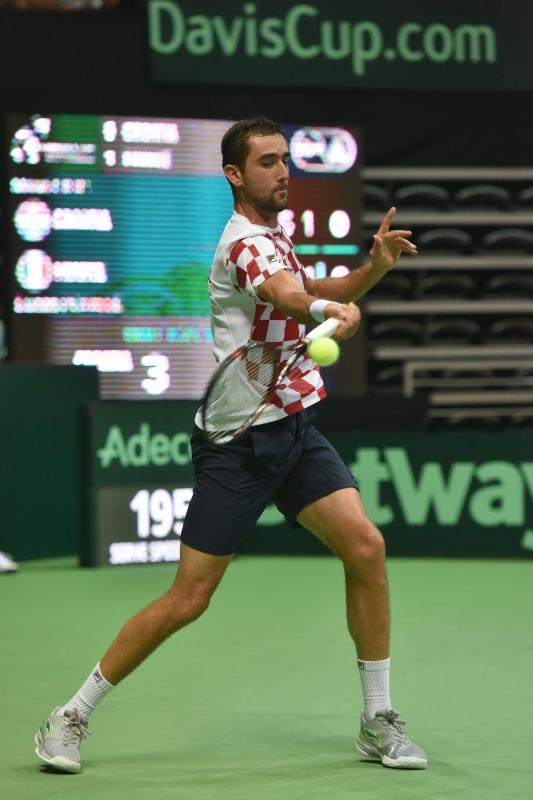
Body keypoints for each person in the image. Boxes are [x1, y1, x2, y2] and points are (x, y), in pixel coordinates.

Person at [35, 115, 426, 773]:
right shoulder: (245, 245)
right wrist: (330, 315)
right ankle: (69, 715)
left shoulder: (277, 234)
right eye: (267, 162)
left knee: (365, 546)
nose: (282, 172)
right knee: (189, 597)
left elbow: (312, 291)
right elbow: (292, 299)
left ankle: (375, 719)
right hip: (239, 445)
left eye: (285, 160)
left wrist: (370, 272)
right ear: (234, 175)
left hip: (295, 430)